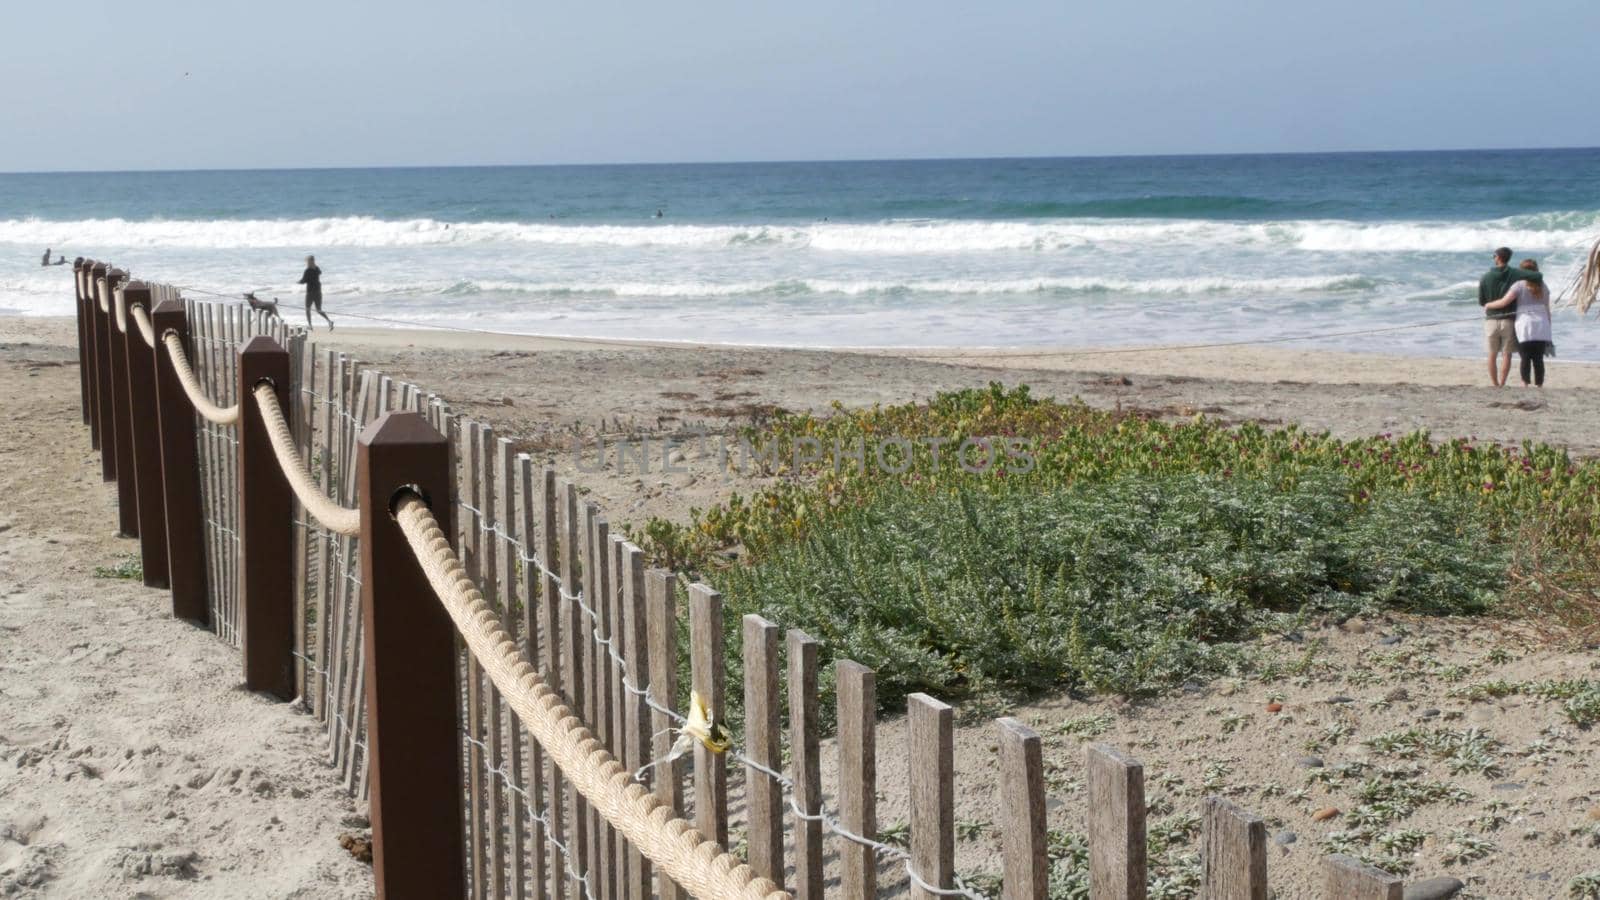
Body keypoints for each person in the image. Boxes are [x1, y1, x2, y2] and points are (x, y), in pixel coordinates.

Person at [1483, 259, 1554, 387]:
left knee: (1525, 357)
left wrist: (1489, 304)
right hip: (1542, 325)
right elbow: (1547, 309)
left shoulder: (1519, 285)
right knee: (1538, 359)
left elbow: (1504, 302)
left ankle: (1525, 383)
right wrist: (1549, 326)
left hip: (1525, 325)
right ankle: (1539, 385)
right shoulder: (1543, 285)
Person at [299, 255, 333, 331]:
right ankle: (329, 321)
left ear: (310, 261)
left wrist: (299, 282)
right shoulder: (317, 268)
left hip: (310, 292)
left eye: (307, 261)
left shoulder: (307, 270)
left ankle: (310, 325)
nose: (307, 263)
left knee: (307, 309)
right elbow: (320, 273)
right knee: (318, 309)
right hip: (318, 291)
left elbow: (304, 280)